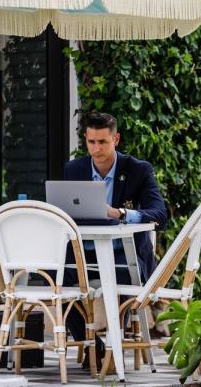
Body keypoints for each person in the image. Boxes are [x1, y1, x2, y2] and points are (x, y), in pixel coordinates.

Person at [62, 111, 167, 364]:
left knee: (119, 286)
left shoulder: (138, 170)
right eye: (91, 142)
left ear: (116, 139)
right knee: (58, 279)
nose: (96, 149)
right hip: (84, 254)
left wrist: (120, 213)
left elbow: (160, 215)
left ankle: (112, 351)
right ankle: (93, 347)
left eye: (102, 142)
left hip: (124, 256)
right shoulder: (74, 169)